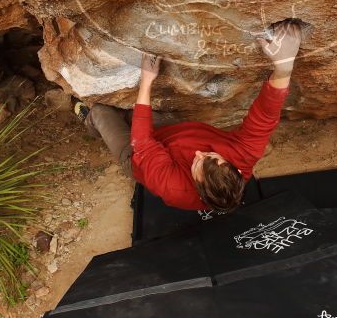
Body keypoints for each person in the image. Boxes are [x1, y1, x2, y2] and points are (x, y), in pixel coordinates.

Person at [74, 21, 302, 212]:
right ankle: (128, 116)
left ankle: (90, 121)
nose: (200, 153)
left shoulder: (174, 188)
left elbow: (143, 143)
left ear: (196, 184)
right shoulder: (242, 159)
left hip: (137, 156)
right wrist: (284, 68)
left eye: (198, 163)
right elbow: (264, 117)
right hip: (173, 136)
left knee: (103, 112)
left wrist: (147, 80)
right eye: (211, 155)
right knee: (137, 114)